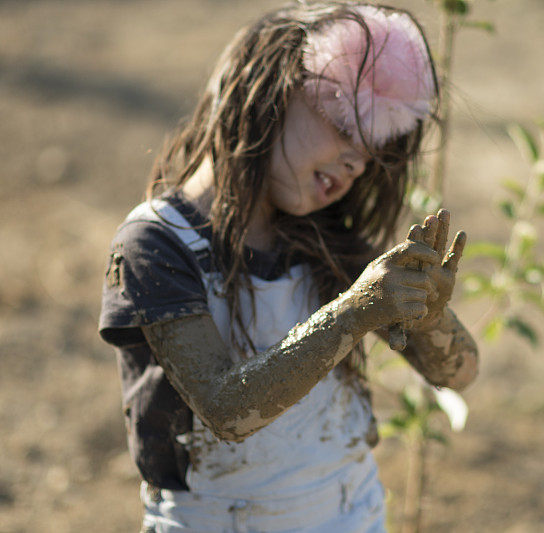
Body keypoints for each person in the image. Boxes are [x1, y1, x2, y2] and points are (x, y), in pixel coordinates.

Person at [99, 2, 478, 531]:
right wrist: (352, 313)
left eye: (372, 150)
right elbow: (229, 411)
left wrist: (430, 315)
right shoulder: (157, 245)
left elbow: (458, 372)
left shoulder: (327, 238)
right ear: (271, 94)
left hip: (352, 512)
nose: (357, 163)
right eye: (344, 125)